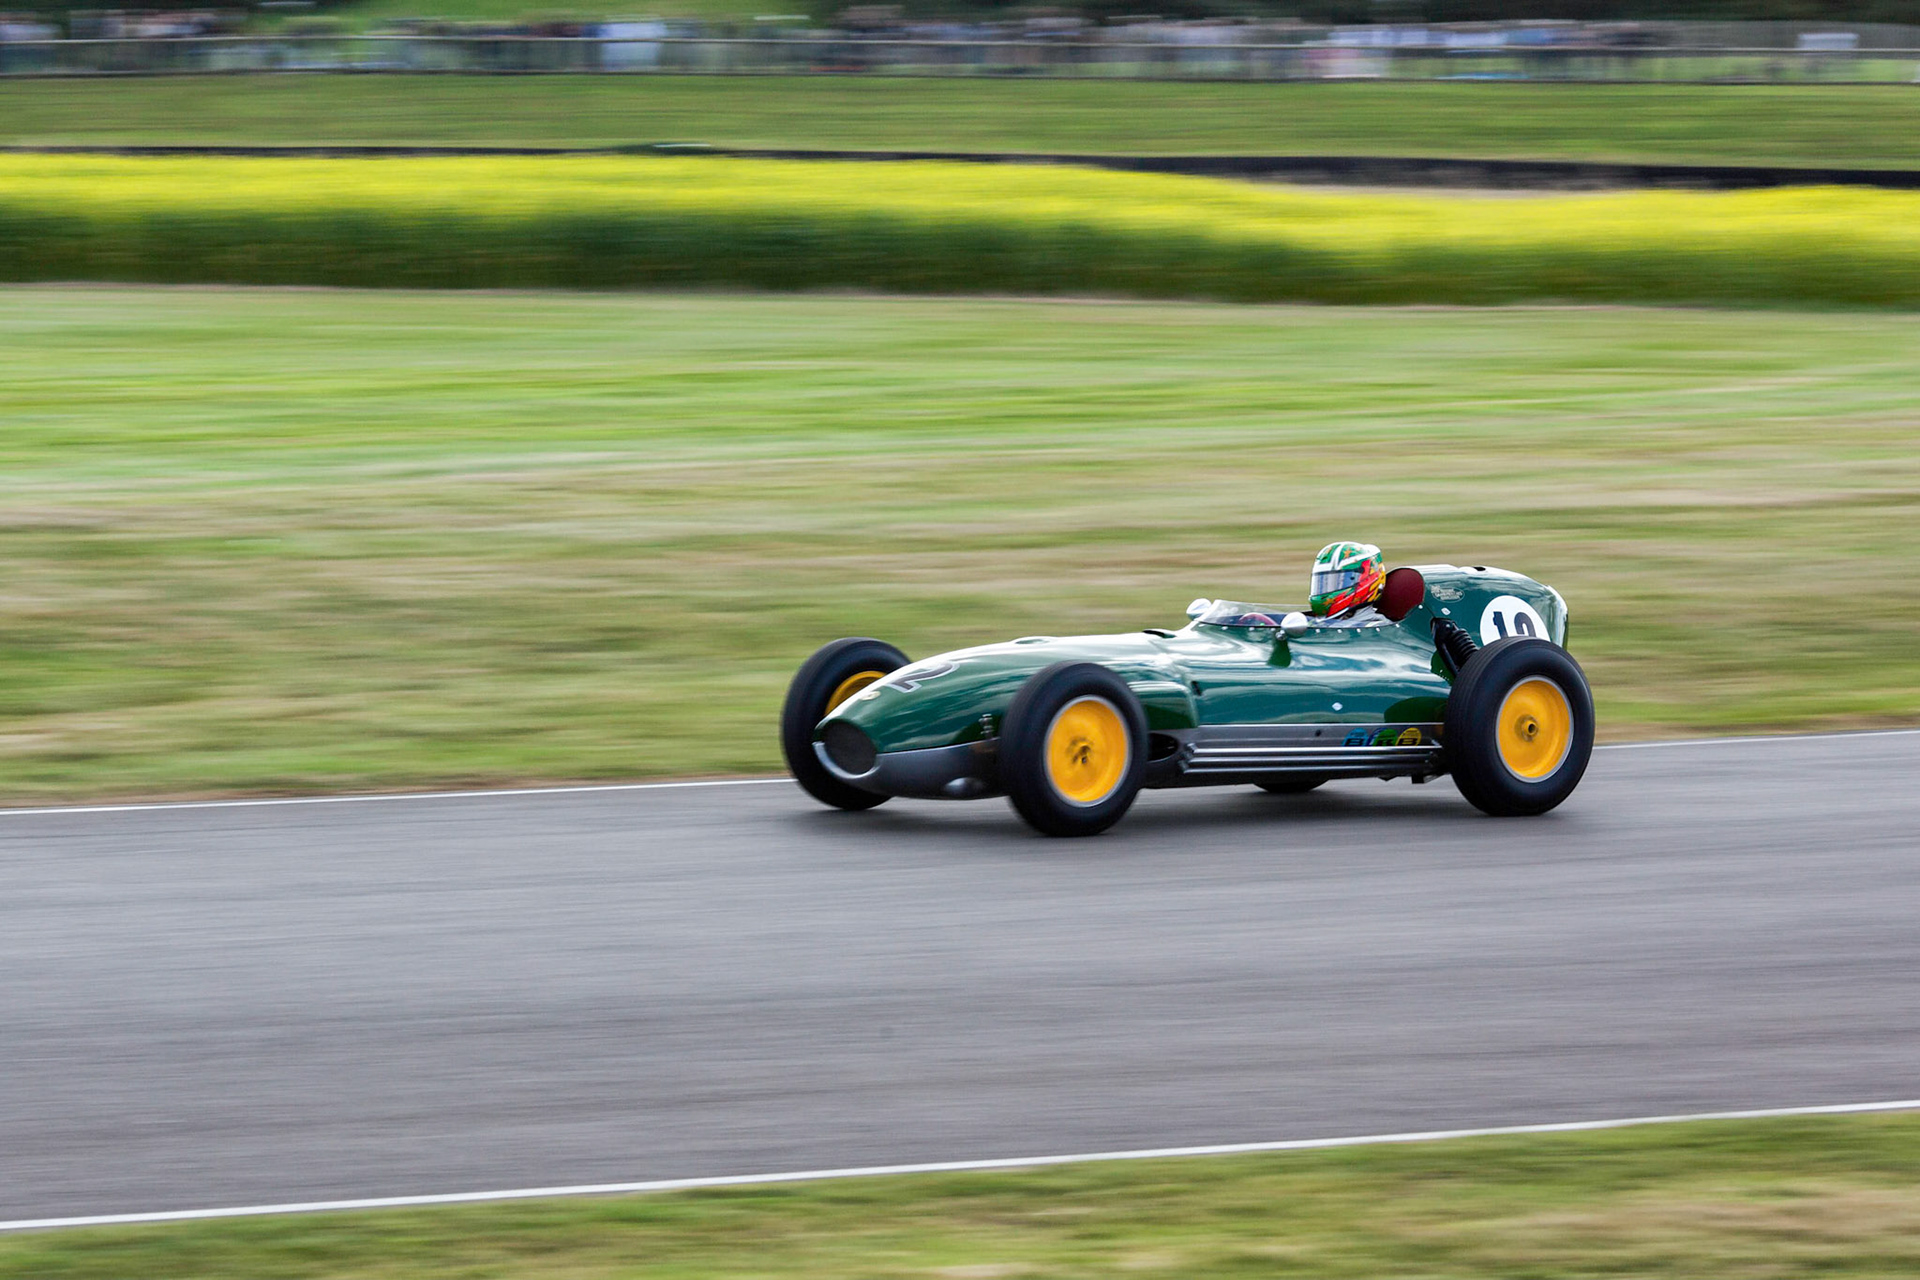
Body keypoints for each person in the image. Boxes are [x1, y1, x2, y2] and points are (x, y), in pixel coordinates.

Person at [1307, 541, 1388, 627]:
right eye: (1322, 584)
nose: (1326, 590)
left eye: (1337, 582)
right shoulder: (1316, 624)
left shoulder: (1376, 627)